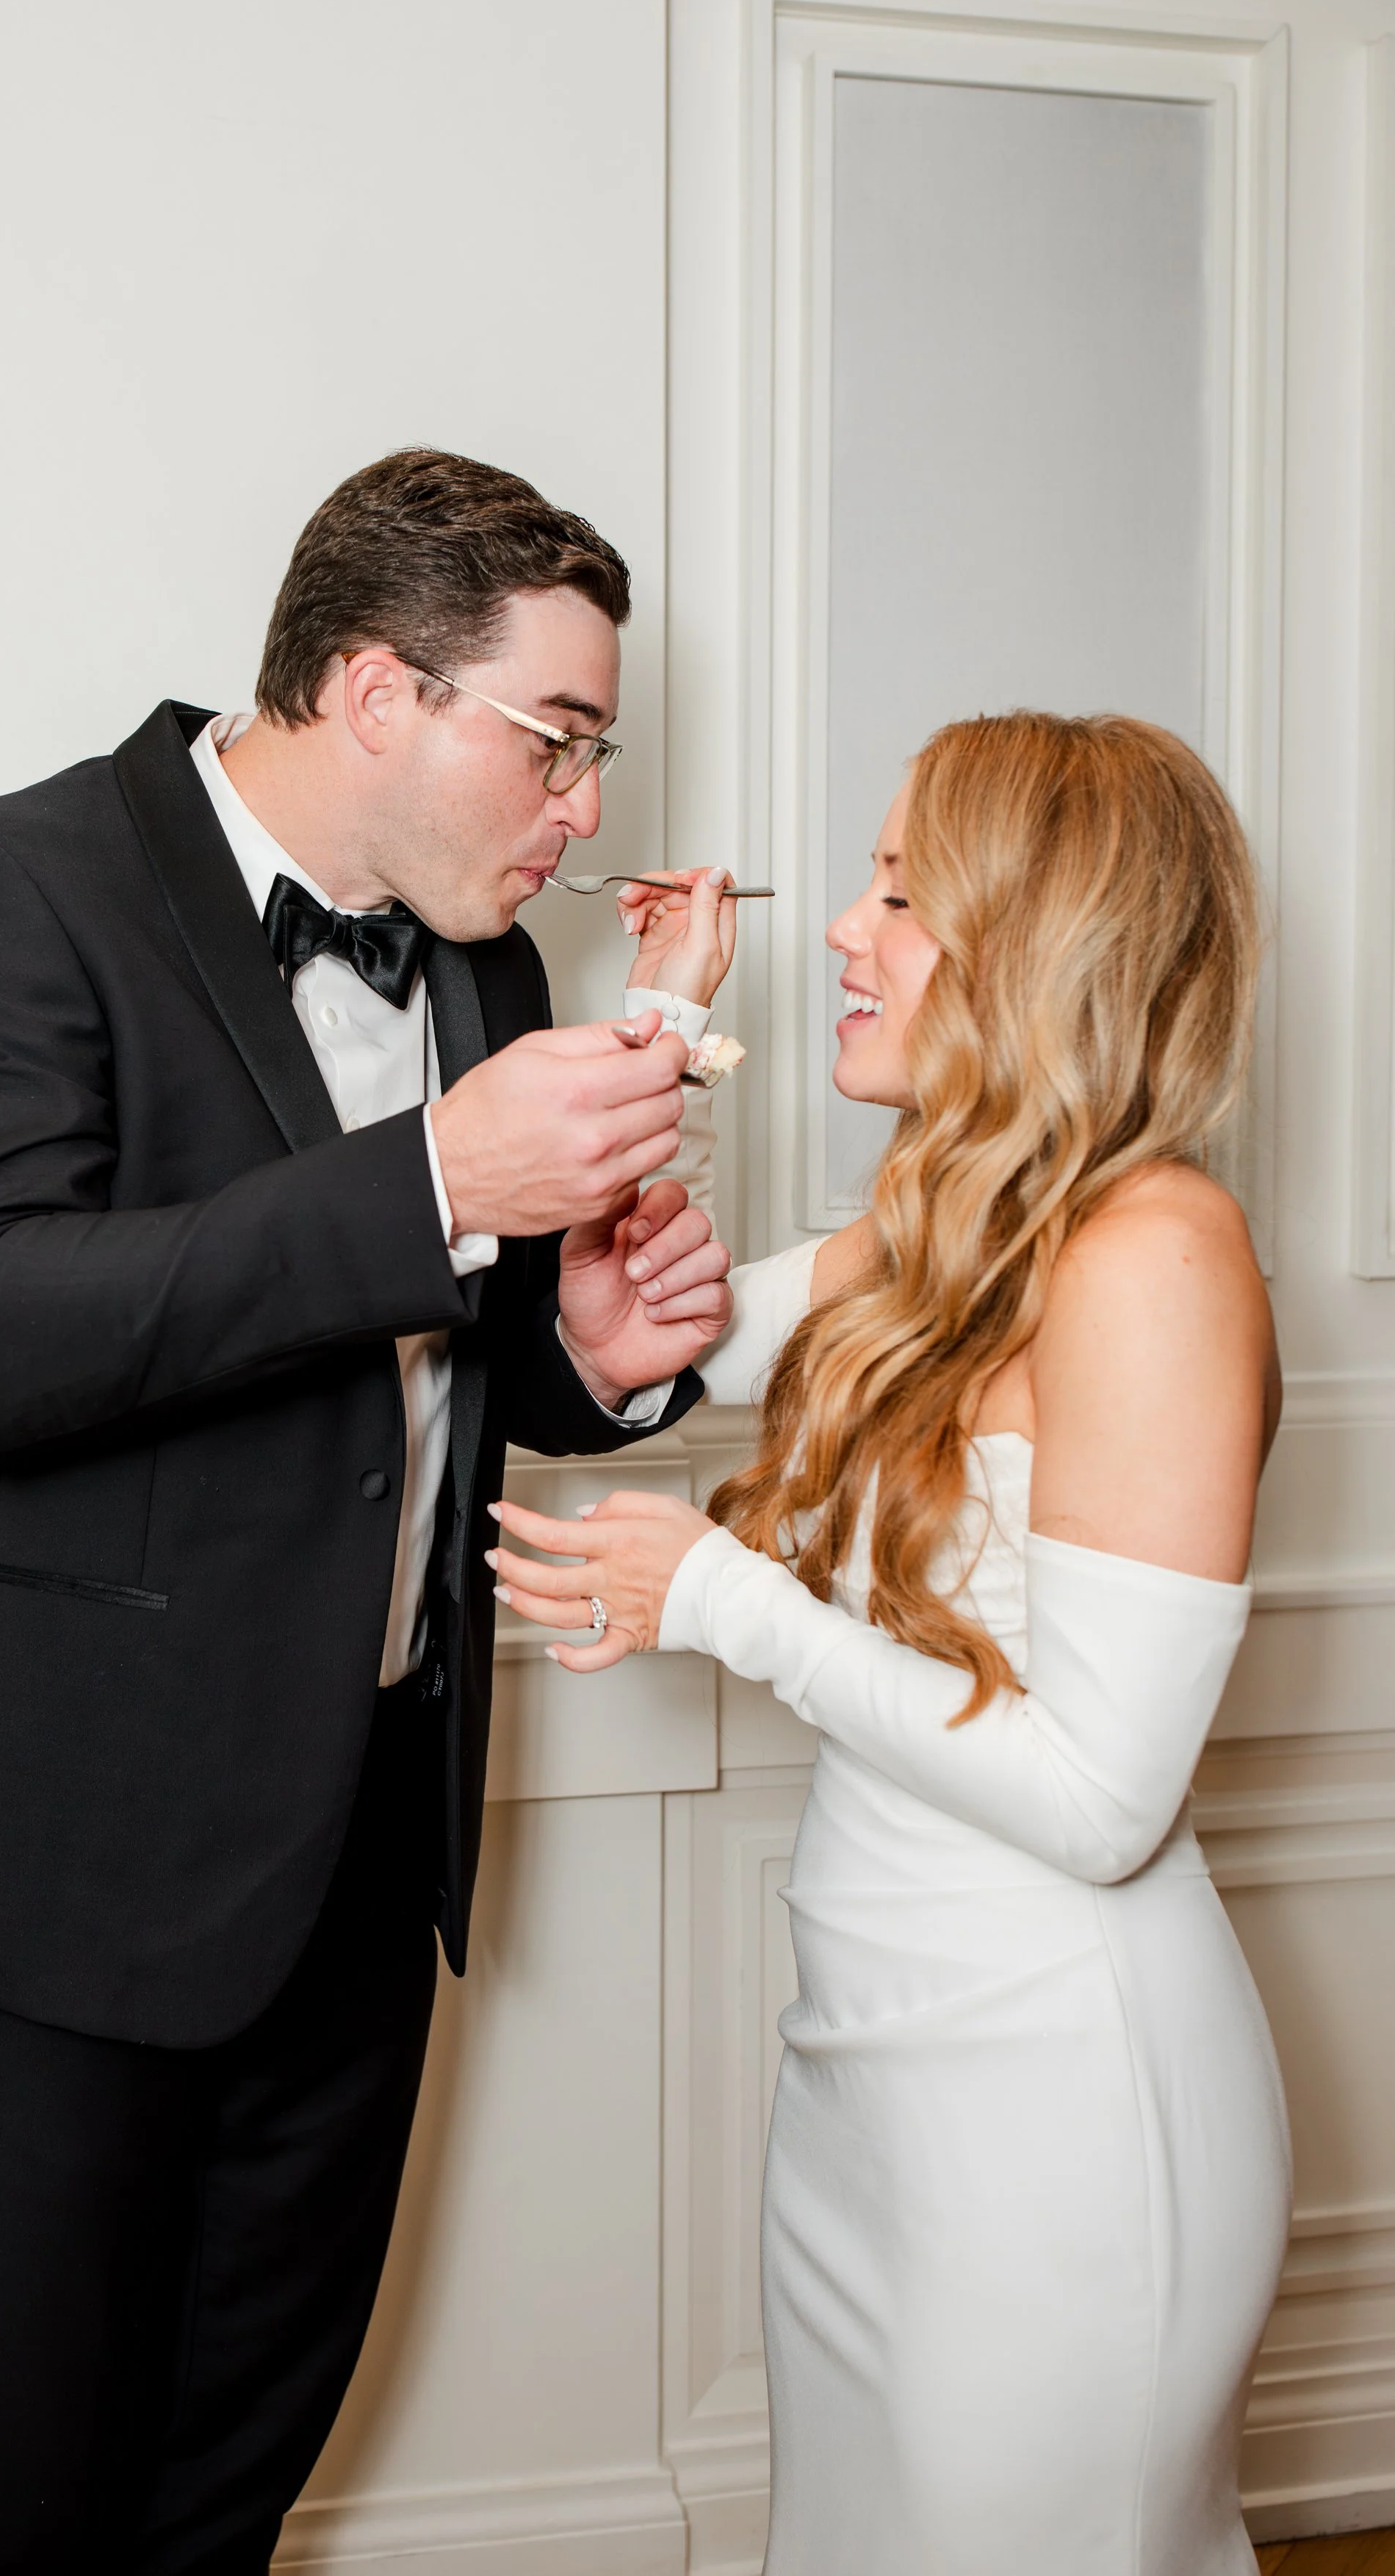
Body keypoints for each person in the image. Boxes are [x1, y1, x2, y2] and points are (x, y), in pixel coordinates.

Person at [0, 447, 738, 2575]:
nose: (585, 803)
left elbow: (431, 1383)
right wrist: (438, 1180)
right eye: (558, 741)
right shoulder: (6, 879)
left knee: (234, 2480)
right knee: (19, 2505)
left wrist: (593, 1360)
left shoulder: (486, 970)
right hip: (73, 1845)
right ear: (379, 691)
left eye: (597, 754)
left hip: (364, 1846)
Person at [494, 711, 1291, 2575]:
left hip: (1055, 2110)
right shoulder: (934, 1230)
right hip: (870, 2088)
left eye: (901, 893)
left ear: (1044, 940)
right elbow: (637, 1347)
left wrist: (719, 1601)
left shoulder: (1153, 1253)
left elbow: (1101, 1801)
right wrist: (661, 1022)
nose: (845, 931)